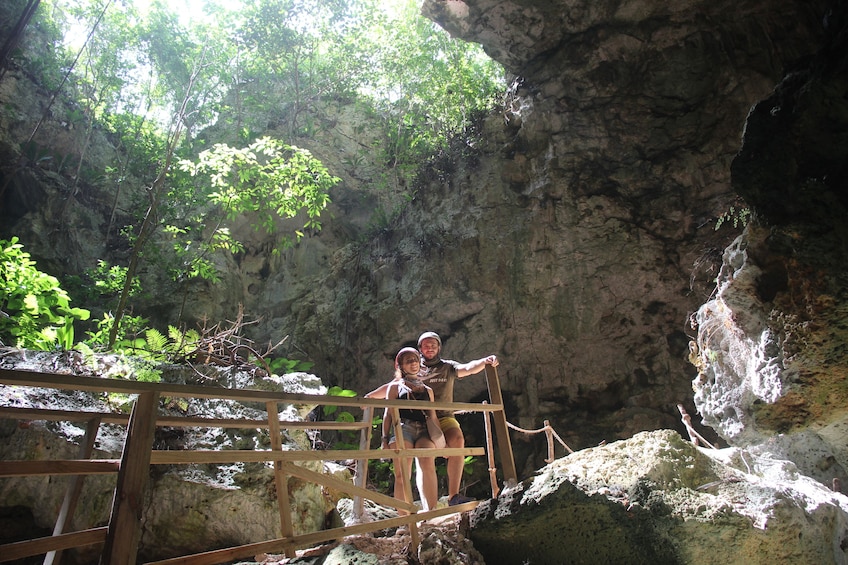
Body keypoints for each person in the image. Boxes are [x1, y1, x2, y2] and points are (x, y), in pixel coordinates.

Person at [417, 331, 499, 506]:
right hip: (421, 420)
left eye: (433, 345)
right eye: (426, 345)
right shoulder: (414, 368)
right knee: (426, 453)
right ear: (420, 348)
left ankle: (453, 496)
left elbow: (468, 368)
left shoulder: (448, 367)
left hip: (445, 416)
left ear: (439, 347)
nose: (430, 348)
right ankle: (428, 505)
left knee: (458, 440)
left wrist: (485, 361)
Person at [379, 347, 439, 512]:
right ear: (401, 366)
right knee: (403, 473)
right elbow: (388, 415)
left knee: (427, 462)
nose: (413, 363)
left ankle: (431, 512)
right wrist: (384, 439)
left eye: (415, 360)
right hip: (402, 428)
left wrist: (440, 440)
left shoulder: (428, 390)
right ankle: (404, 519)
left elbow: (432, 416)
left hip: (424, 430)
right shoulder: (395, 387)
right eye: (408, 361)